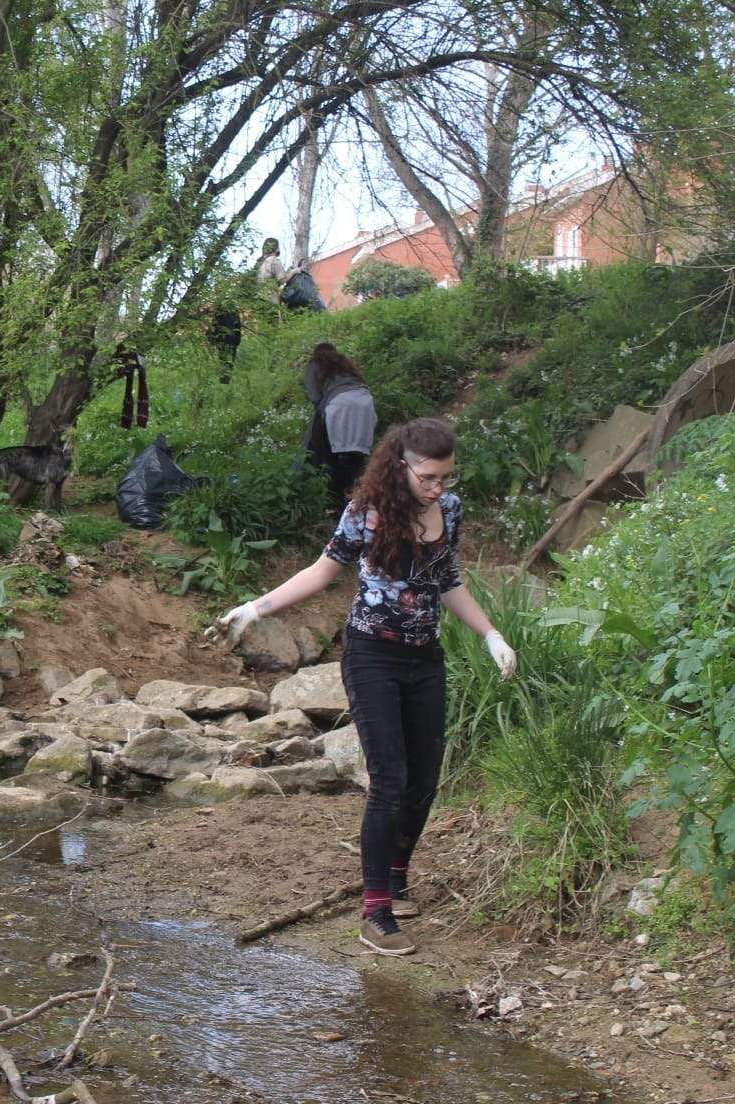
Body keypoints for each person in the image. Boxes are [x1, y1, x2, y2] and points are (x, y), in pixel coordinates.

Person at [210, 418, 517, 958]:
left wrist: (491, 633)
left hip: (426, 657)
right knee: (390, 778)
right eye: (428, 477)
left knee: (425, 777)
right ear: (400, 466)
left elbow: (449, 580)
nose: (437, 487)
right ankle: (374, 912)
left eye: (445, 477)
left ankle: (396, 880)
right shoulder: (366, 513)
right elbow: (322, 571)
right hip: (372, 655)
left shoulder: (449, 510)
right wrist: (255, 609)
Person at [302, 343, 377, 511]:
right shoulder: (344, 363)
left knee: (334, 457)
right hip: (364, 402)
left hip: (339, 404)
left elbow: (314, 396)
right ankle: (362, 500)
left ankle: (340, 506)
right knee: (357, 457)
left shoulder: (314, 364)